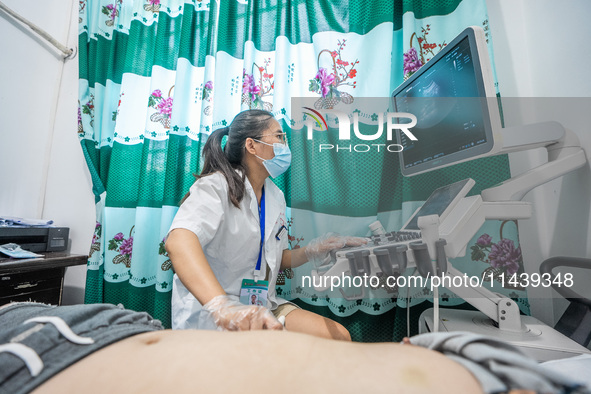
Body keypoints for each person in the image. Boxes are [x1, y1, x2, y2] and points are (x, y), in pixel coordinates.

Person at [165, 110, 365, 339]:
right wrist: (221, 306)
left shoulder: (275, 195)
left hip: (263, 303)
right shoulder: (215, 187)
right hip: (215, 310)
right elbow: (178, 242)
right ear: (252, 146)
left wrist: (313, 250)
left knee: (337, 336)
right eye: (279, 137)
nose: (285, 144)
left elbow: (278, 258)